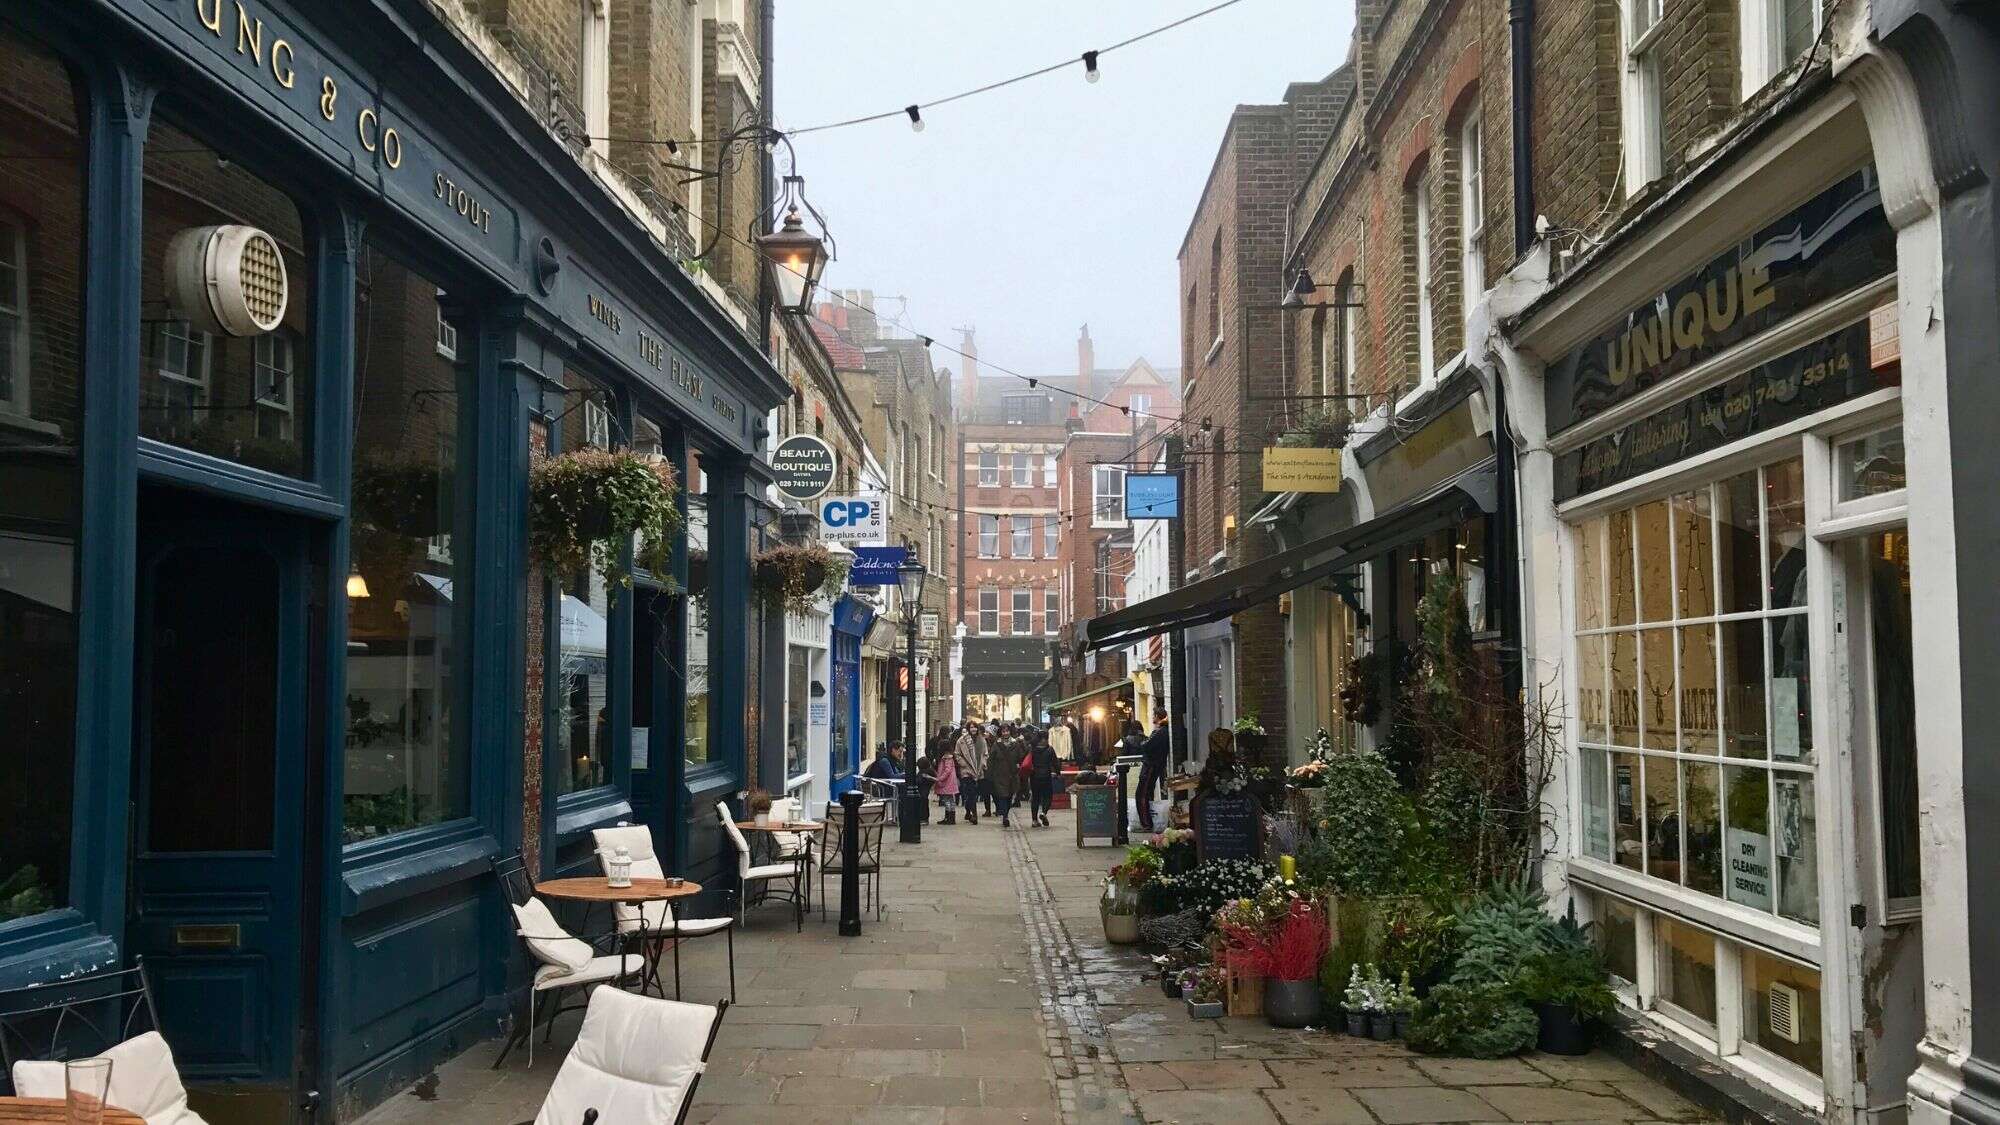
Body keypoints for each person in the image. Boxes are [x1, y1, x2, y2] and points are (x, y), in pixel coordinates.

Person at [1136, 708, 1171, 831]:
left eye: (1153, 715)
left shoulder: (1160, 732)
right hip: (1154, 764)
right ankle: (1147, 822)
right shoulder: (1162, 731)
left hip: (1150, 765)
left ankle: (1146, 823)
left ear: (1157, 716)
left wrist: (1144, 743)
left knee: (1142, 794)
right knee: (1145, 793)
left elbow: (1146, 746)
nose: (1152, 717)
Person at [987, 723, 1022, 827]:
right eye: (1003, 731)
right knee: (1002, 795)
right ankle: (1005, 816)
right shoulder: (996, 744)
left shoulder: (1015, 743)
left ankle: (1005, 813)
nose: (1005, 733)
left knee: (1009, 796)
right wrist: (990, 774)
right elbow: (991, 760)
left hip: (1012, 774)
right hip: (999, 774)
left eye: (1007, 731)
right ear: (1000, 733)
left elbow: (1020, 756)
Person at [952, 722, 983, 826]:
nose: (973, 729)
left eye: (975, 727)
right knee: (970, 792)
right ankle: (974, 815)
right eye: (971, 727)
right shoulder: (961, 740)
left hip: (978, 769)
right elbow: (957, 754)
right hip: (966, 770)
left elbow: (985, 753)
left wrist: (983, 763)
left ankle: (968, 811)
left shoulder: (981, 740)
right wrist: (963, 763)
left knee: (973, 794)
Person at [1027, 727, 1059, 828]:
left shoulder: (1032, 749)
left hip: (1034, 776)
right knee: (1048, 797)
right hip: (1046, 776)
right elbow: (1055, 763)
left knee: (1035, 798)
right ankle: (1043, 812)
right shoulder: (1050, 749)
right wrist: (1057, 773)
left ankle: (1034, 820)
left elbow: (1026, 760)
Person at [932, 745, 960, 825]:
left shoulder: (946, 758)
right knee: (951, 799)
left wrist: (940, 778)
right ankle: (951, 817)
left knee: (947, 799)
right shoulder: (949, 757)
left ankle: (948, 818)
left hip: (947, 782)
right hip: (950, 781)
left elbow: (947, 770)